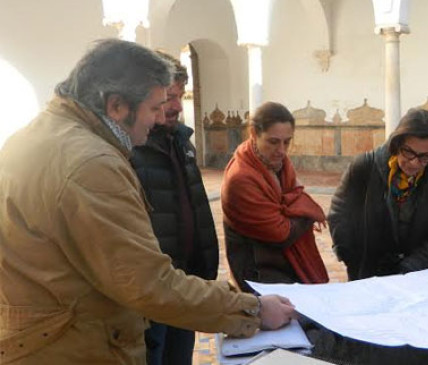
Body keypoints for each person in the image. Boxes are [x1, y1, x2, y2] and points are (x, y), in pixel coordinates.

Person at [0, 39, 295, 364]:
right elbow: (145, 282)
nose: (157, 120)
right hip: (73, 345)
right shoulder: (90, 164)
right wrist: (251, 309)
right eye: (154, 107)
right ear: (116, 106)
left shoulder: (37, 136)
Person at [129, 51, 215, 365]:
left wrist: (203, 271)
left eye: (180, 96)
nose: (178, 106)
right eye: (169, 98)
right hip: (151, 292)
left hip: (184, 282)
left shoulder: (180, 141)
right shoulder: (131, 150)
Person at [328, 109, 428, 280]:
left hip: (421, 274)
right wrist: (351, 257)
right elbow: (339, 214)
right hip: (368, 275)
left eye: (425, 157)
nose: (414, 163)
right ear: (397, 144)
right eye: (408, 152)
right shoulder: (365, 166)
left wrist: (409, 269)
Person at [221, 101, 329, 292]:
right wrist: (305, 214)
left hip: (284, 265)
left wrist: (294, 211)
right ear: (254, 134)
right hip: (258, 274)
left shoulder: (279, 163)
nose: (281, 150)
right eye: (273, 142)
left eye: (287, 142)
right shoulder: (241, 178)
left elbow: (297, 199)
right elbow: (281, 233)